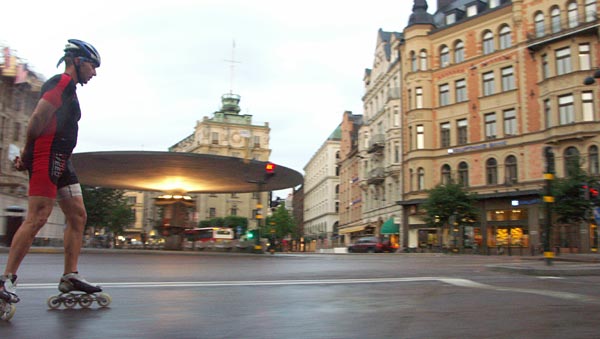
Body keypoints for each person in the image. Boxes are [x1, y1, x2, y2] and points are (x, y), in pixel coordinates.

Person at [0, 39, 103, 304]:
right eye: (93, 65)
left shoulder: (69, 88)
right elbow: (37, 118)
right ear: (78, 61)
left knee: (78, 215)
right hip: (47, 155)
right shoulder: (62, 82)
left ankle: (70, 276)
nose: (95, 72)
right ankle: (6, 279)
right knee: (38, 217)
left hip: (62, 159)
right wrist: (27, 155)